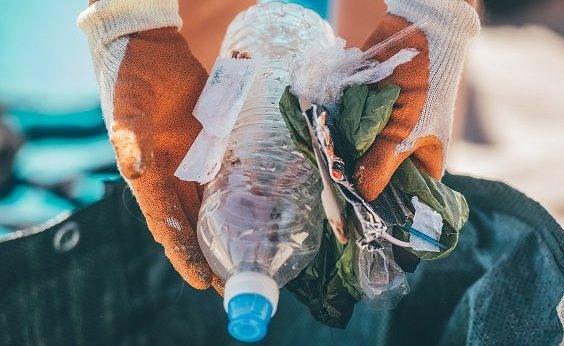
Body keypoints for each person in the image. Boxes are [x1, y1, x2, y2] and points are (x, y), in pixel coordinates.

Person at [77, 0, 479, 292]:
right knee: (219, 63)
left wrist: (435, 13)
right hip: (253, 34)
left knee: (389, 108)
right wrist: (130, 18)